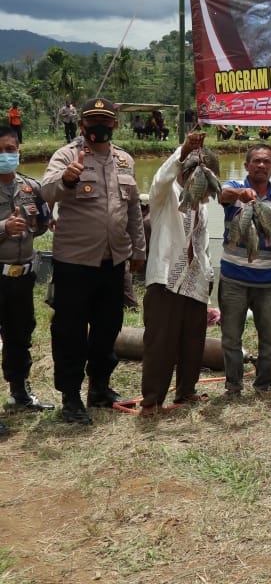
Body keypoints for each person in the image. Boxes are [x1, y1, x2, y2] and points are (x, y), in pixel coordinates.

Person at [42, 98, 146, 425]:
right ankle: (71, 397)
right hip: (74, 262)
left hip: (112, 262)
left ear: (114, 124)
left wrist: (138, 252)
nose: (98, 126)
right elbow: (46, 191)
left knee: (108, 327)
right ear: (83, 125)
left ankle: (99, 388)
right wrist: (67, 179)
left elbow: (132, 212)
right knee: (70, 331)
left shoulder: (124, 160)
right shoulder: (66, 155)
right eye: (92, 121)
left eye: (105, 120)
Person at [139, 131, 218, 416]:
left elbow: (204, 246)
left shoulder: (204, 206)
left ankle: (187, 392)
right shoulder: (166, 195)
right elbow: (161, 178)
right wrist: (183, 150)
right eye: (194, 172)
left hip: (195, 281)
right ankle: (152, 401)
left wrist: (208, 281)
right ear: (184, 173)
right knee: (160, 342)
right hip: (166, 280)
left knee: (192, 341)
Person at [218, 144, 271, 396]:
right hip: (233, 278)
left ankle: (264, 384)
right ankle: (233, 385)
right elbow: (221, 195)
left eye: (266, 161)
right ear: (247, 165)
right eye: (256, 161)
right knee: (231, 336)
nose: (261, 165)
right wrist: (239, 194)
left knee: (270, 337)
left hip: (269, 280)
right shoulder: (234, 186)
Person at [0, 126, 54, 430]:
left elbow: (42, 224)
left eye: (11, 149)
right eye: (2, 150)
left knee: (20, 337)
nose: (7, 155)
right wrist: (3, 228)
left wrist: (50, 219)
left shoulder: (31, 187)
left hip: (21, 276)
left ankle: (19, 393)